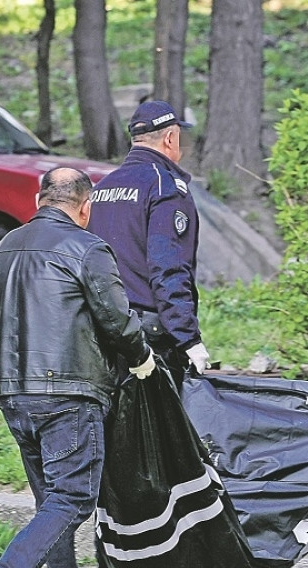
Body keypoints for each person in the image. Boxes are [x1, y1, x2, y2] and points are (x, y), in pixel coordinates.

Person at [0, 167, 156, 568]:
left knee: (51, 502)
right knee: (73, 498)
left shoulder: (3, 248)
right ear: (85, 207)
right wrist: (142, 358)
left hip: (13, 390)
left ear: (39, 201)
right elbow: (116, 319)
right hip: (68, 392)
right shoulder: (87, 248)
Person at [87, 100, 211, 391]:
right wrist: (188, 338)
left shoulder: (101, 189)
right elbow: (169, 267)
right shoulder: (165, 187)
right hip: (149, 335)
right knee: (159, 419)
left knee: (117, 415)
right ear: (170, 137)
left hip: (102, 327)